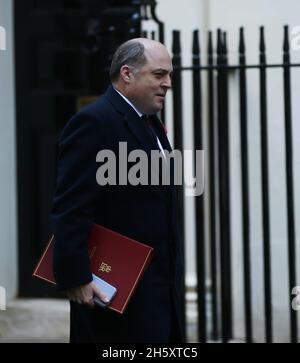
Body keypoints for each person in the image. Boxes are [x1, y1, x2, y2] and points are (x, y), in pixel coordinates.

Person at [50, 38, 185, 343]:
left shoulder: (149, 122)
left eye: (170, 75)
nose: (168, 84)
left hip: (157, 290)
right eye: (159, 74)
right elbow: (71, 207)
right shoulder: (93, 122)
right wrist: (76, 277)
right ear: (127, 73)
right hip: (112, 295)